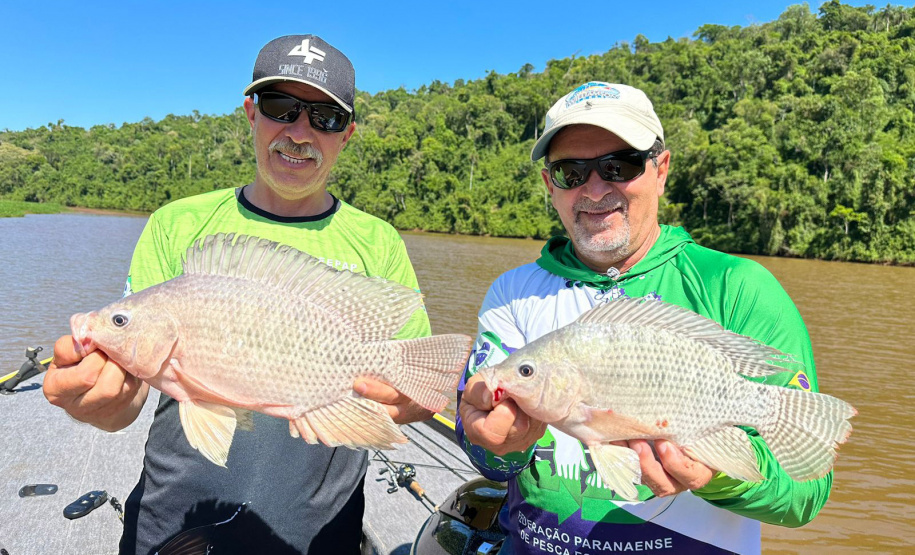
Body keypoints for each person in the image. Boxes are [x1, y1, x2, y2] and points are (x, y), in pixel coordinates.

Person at [43, 34, 433, 555]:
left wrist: (407, 399)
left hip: (319, 534)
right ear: (251, 112)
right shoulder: (176, 224)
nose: (300, 132)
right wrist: (93, 402)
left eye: (326, 118)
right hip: (175, 520)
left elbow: (421, 392)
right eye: (281, 107)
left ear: (348, 134)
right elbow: (125, 401)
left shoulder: (378, 242)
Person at [456, 82, 832, 555]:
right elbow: (485, 456)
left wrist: (716, 475)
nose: (595, 188)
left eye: (620, 165)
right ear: (550, 185)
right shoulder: (510, 294)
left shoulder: (739, 287)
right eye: (571, 171)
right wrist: (494, 444)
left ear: (661, 170)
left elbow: (805, 493)